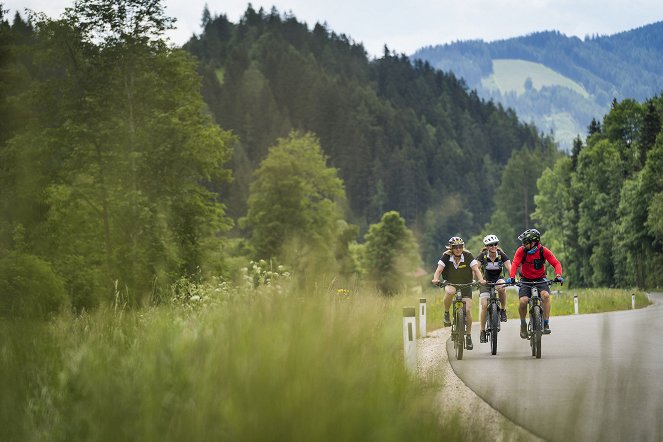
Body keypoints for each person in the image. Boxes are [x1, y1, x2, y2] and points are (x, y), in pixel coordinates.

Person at [505, 228, 564, 339]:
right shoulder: (521, 251)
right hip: (525, 280)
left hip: (540, 279)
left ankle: (546, 323)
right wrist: (512, 277)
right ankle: (523, 324)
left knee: (545, 296)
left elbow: (556, 263)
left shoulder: (543, 251)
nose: (523, 245)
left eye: (526, 243)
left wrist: (558, 275)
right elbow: (515, 264)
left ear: (533, 243)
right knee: (523, 301)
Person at [432, 236, 486, 350]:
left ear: (463, 247)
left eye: (460, 246)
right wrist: (436, 278)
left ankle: (469, 336)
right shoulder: (446, 256)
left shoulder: (468, 255)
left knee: (467, 310)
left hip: (466, 284)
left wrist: (481, 280)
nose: (458, 249)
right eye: (455, 247)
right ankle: (446, 313)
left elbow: (476, 269)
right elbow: (439, 269)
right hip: (450, 283)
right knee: (450, 292)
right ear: (451, 247)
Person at [476, 234, 512, 344]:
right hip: (485, 281)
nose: (493, 246)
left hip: (498, 279)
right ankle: (482, 331)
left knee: (502, 287)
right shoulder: (482, 256)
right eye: (490, 245)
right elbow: (475, 268)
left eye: (495, 244)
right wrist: (479, 279)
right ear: (486, 246)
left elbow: (510, 266)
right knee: (484, 306)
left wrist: (512, 277)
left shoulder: (501, 255)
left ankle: (503, 310)